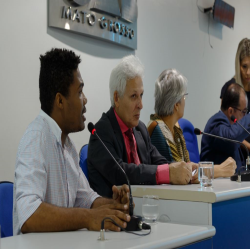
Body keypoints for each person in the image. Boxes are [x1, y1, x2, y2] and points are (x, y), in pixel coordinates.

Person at [13, 48, 131, 236]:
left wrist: (112, 206)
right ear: (60, 101)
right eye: (80, 92)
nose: (85, 99)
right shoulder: (36, 138)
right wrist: (87, 217)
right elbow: (28, 214)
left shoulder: (67, 144)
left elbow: (85, 199)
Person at [88, 55, 198, 198]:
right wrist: (168, 173)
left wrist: (184, 170)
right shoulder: (101, 132)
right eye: (134, 96)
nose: (141, 105)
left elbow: (161, 163)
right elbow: (122, 172)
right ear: (117, 98)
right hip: (115, 214)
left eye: (141, 95)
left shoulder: (139, 129)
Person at [147, 69, 236, 178]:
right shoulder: (159, 129)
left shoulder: (175, 126)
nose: (185, 101)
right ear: (176, 104)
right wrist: (220, 170)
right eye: (184, 96)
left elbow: (188, 165)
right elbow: (181, 174)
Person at [201, 83, 250, 169]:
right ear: (231, 111)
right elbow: (231, 139)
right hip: (215, 181)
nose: (245, 116)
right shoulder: (216, 123)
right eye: (243, 112)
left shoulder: (231, 126)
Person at [220, 38, 250, 150]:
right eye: (244, 67)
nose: (248, 73)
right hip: (236, 154)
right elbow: (227, 131)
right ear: (238, 65)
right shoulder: (229, 89)